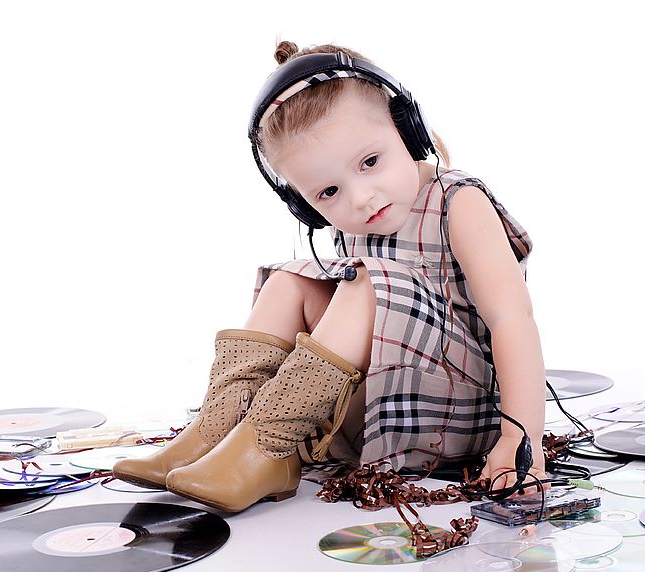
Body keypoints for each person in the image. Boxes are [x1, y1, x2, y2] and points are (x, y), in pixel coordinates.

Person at [113, 40, 546, 513]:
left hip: (462, 418)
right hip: (379, 409)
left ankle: (267, 443)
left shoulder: (457, 202)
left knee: (364, 282)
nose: (361, 198)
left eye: (370, 162)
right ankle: (221, 431)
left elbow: (512, 319)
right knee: (290, 280)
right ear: (304, 204)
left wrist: (521, 439)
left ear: (407, 129)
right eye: (329, 192)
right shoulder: (354, 224)